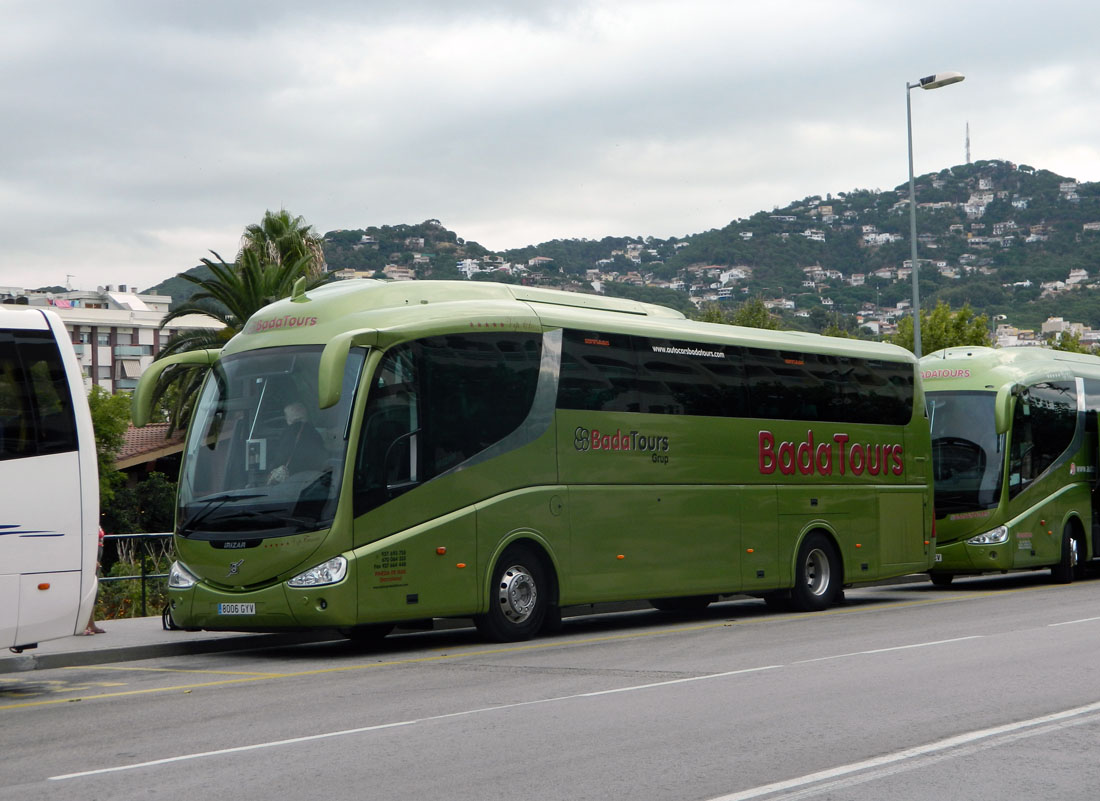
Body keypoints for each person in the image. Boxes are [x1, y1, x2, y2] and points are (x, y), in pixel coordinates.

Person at [267, 401, 325, 484]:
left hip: (293, 482)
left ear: (288, 419)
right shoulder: (315, 433)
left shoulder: (290, 433)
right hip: (316, 480)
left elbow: (281, 456)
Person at [83, 526, 106, 635]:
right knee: (88, 591)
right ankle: (86, 625)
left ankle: (91, 623)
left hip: (96, 559)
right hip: (92, 561)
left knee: (94, 592)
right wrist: (92, 559)